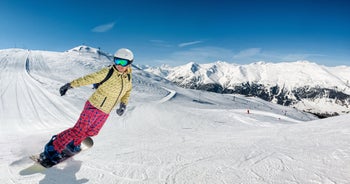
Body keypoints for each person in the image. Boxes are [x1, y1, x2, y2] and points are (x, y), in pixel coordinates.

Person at [40, 48, 134, 165]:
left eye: (123, 62)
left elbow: (127, 92)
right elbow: (89, 78)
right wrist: (70, 85)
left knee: (92, 132)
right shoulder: (108, 72)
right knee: (78, 130)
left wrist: (123, 104)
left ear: (129, 63)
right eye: (117, 61)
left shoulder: (128, 77)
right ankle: (51, 148)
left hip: (105, 111)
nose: (119, 65)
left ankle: (74, 144)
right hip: (94, 106)